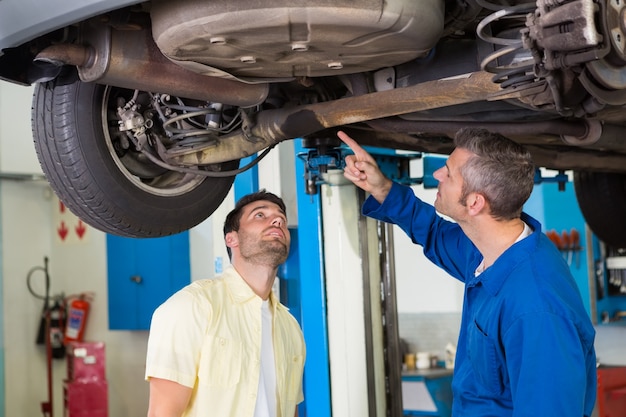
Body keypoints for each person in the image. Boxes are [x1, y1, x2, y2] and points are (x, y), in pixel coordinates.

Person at [337, 128, 596, 417]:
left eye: (447, 173)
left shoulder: (536, 309)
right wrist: (383, 188)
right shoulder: (491, 251)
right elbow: (434, 233)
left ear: (475, 203)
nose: (437, 175)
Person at [145, 190, 305, 417]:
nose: (277, 220)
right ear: (232, 238)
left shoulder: (291, 329)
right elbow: (163, 413)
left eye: (281, 218)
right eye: (260, 215)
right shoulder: (191, 307)